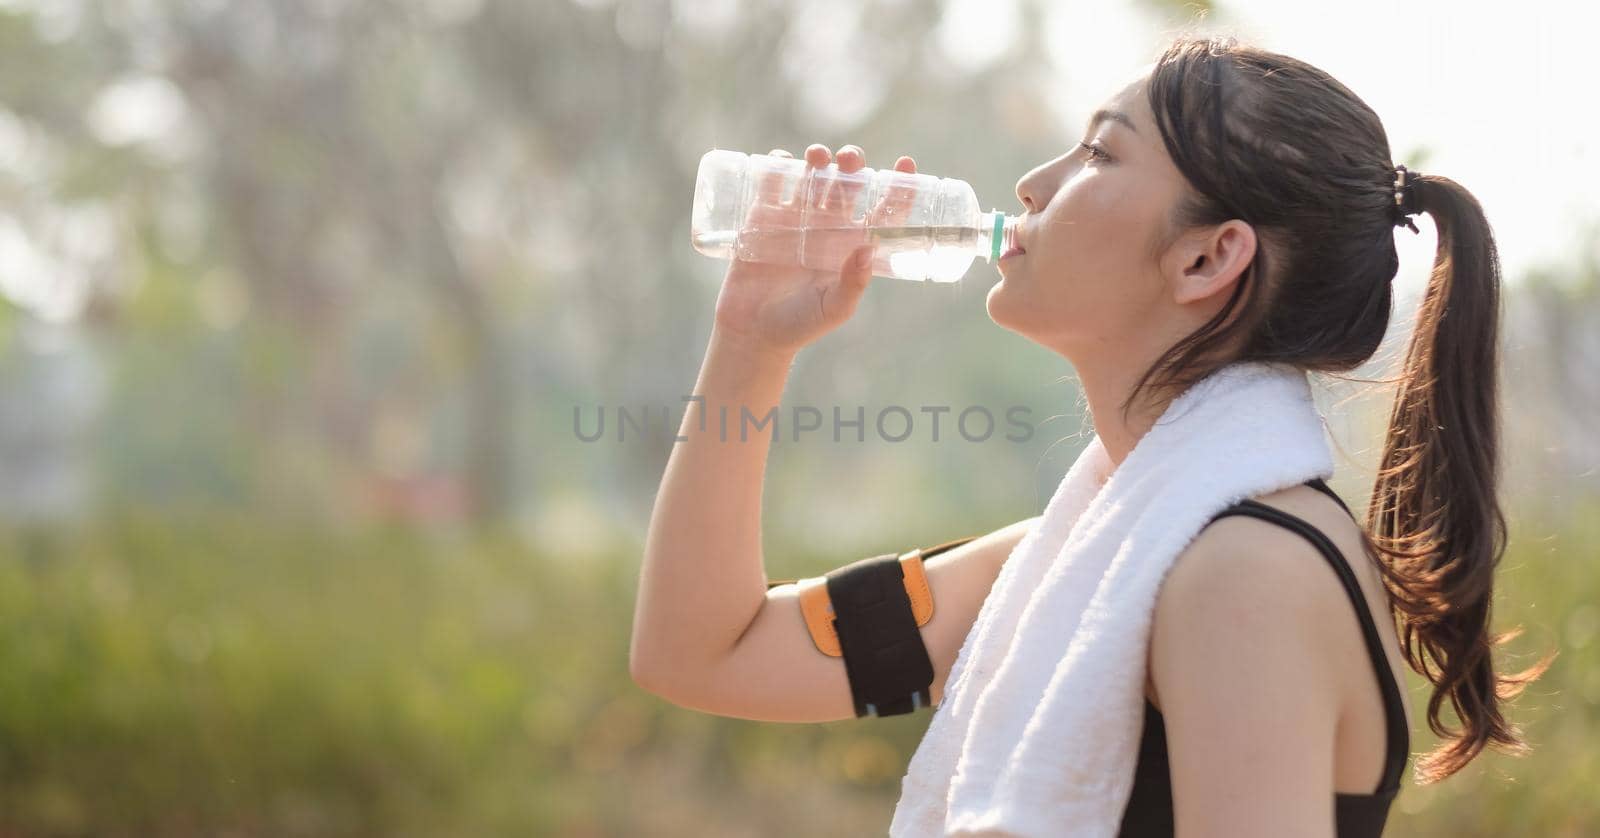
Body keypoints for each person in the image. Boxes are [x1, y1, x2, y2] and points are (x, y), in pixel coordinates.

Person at [629, 34, 1550, 836]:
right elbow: (704, 654)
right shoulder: (1075, 567)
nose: (1033, 185)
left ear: (1207, 256)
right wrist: (749, 342)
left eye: (1098, 156)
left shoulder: (1244, 575)